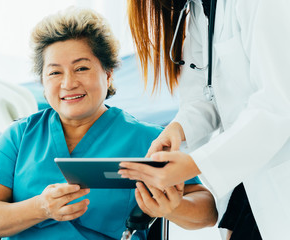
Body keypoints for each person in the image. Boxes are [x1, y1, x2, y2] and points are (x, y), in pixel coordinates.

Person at [0, 7, 217, 240]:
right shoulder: (20, 136)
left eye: (81, 68)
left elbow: (207, 211)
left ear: (108, 74)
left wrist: (174, 207)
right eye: (55, 72)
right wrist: (41, 207)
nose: (68, 83)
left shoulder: (147, 140)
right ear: (43, 83)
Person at [119, 0, 290, 239]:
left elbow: (278, 105)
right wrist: (178, 130)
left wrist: (194, 164)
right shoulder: (201, 9)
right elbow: (203, 96)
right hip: (248, 179)